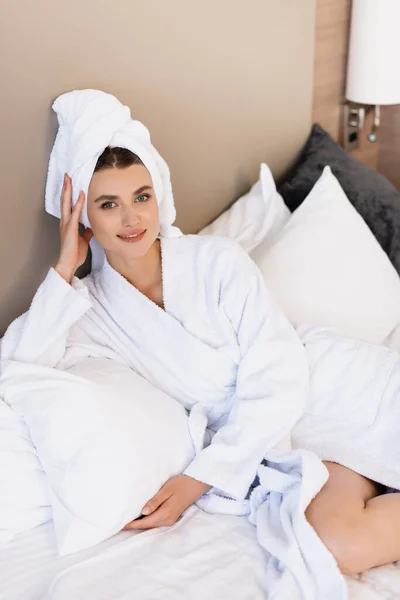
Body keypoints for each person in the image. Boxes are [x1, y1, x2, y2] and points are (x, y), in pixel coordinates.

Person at [2, 94, 400, 587]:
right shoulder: (93, 313)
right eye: (109, 204)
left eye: (141, 196)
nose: (132, 219)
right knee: (337, 543)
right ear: (83, 215)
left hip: (338, 389)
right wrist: (64, 267)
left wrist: (201, 478)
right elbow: (17, 367)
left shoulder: (216, 262)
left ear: (158, 195)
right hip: (299, 446)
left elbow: (280, 380)